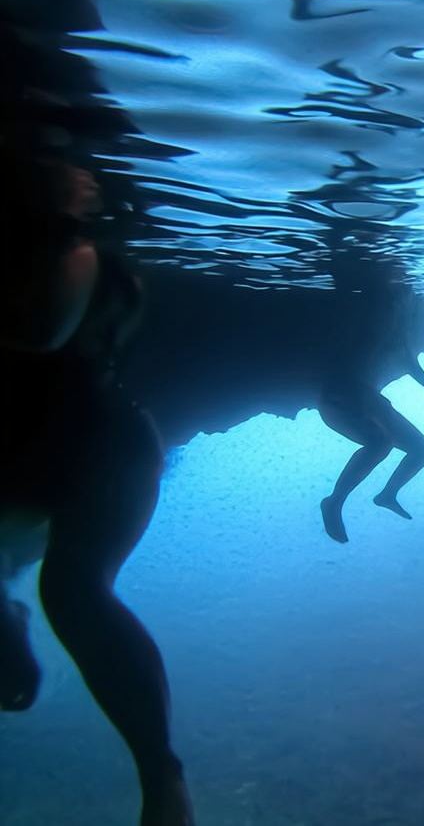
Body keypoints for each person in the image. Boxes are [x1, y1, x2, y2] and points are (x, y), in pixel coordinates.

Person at [1, 158, 195, 825]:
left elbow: (42, 326)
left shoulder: (77, 246)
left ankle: (161, 777)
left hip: (100, 442)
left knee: (73, 588)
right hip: (54, 439)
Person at [318, 271, 424, 544]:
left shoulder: (398, 331)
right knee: (380, 443)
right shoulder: (370, 321)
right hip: (342, 396)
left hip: (368, 398)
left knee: (423, 450)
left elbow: (411, 363)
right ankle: (334, 501)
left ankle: (387, 495)